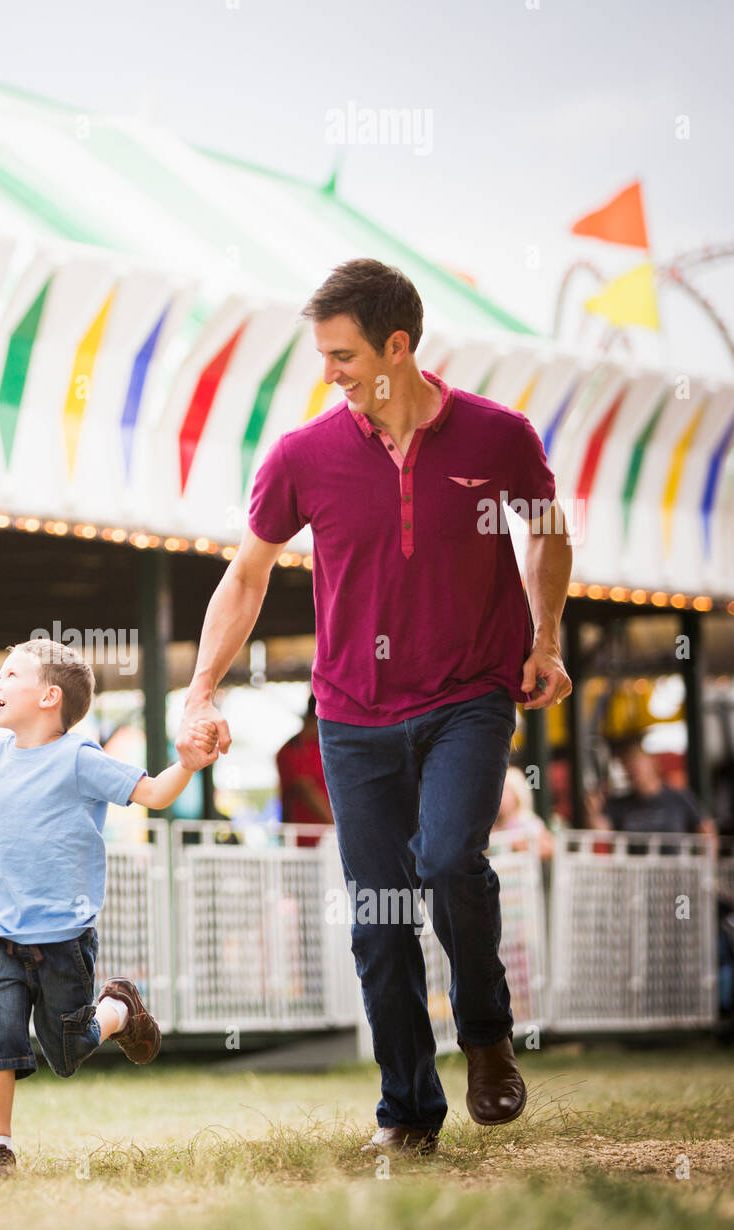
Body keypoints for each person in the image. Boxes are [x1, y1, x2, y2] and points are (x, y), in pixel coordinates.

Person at [174, 259, 574, 1154]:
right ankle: (408, 1112)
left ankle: (485, 1034)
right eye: (323, 354)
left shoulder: (497, 438)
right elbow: (246, 577)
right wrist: (201, 688)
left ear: (399, 346)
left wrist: (544, 639)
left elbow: (547, 532)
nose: (330, 373)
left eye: (344, 354)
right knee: (378, 914)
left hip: (470, 695)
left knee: (448, 858)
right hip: (352, 716)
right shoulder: (302, 456)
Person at [0, 638, 218, 1179]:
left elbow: (155, 794)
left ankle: (119, 1008)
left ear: (50, 696)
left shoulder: (80, 759)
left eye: (9, 676)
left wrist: (186, 765)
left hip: (64, 938)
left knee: (67, 1051)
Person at [586, 738, 716, 838]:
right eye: (627, 764)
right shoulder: (620, 804)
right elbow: (603, 834)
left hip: (676, 870)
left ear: (652, 762)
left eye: (636, 762)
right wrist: (594, 811)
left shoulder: (679, 798)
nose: (632, 769)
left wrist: (707, 868)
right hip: (633, 870)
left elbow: (706, 830)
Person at [276, 692, 333, 843]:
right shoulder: (293, 749)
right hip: (306, 845)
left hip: (332, 842)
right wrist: (341, 827)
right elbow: (308, 791)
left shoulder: (327, 747)